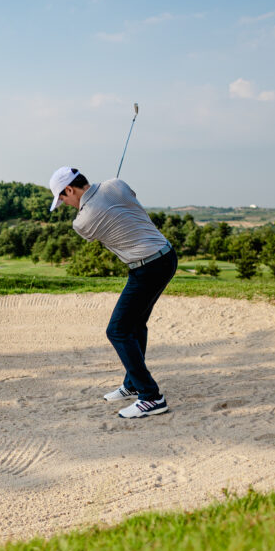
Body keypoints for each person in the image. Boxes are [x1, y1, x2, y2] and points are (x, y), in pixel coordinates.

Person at [49, 166, 177, 419]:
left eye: (62, 198)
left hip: (147, 267)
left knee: (117, 330)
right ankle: (132, 384)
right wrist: (108, 191)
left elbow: (94, 224)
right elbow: (129, 196)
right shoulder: (117, 183)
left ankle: (150, 397)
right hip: (166, 257)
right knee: (135, 324)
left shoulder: (81, 222)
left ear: (69, 189)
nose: (64, 203)